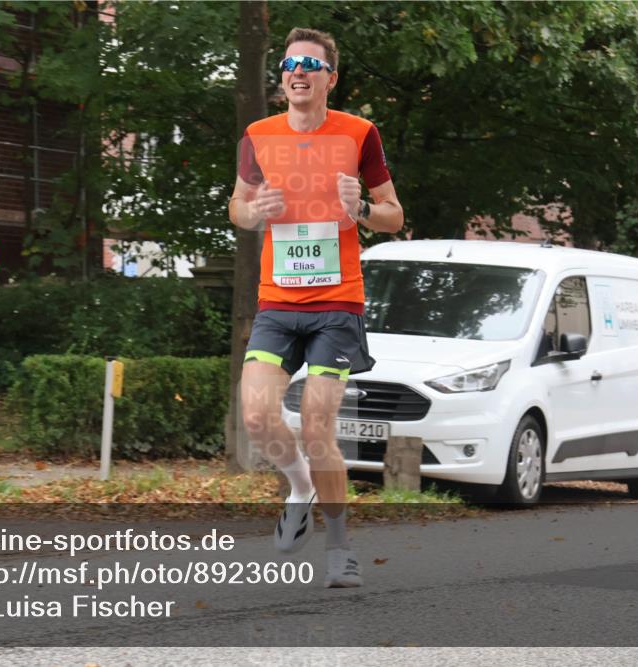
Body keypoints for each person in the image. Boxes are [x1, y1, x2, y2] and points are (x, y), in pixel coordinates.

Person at [228, 27, 404, 588]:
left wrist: (362, 212)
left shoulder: (359, 134)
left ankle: (339, 547)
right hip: (278, 303)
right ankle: (299, 488)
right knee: (256, 415)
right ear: (282, 76)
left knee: (316, 423)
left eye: (310, 63)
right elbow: (236, 205)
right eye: (289, 63)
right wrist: (254, 211)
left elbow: (394, 214)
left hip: (336, 304)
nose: (297, 71)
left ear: (330, 76)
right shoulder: (258, 134)